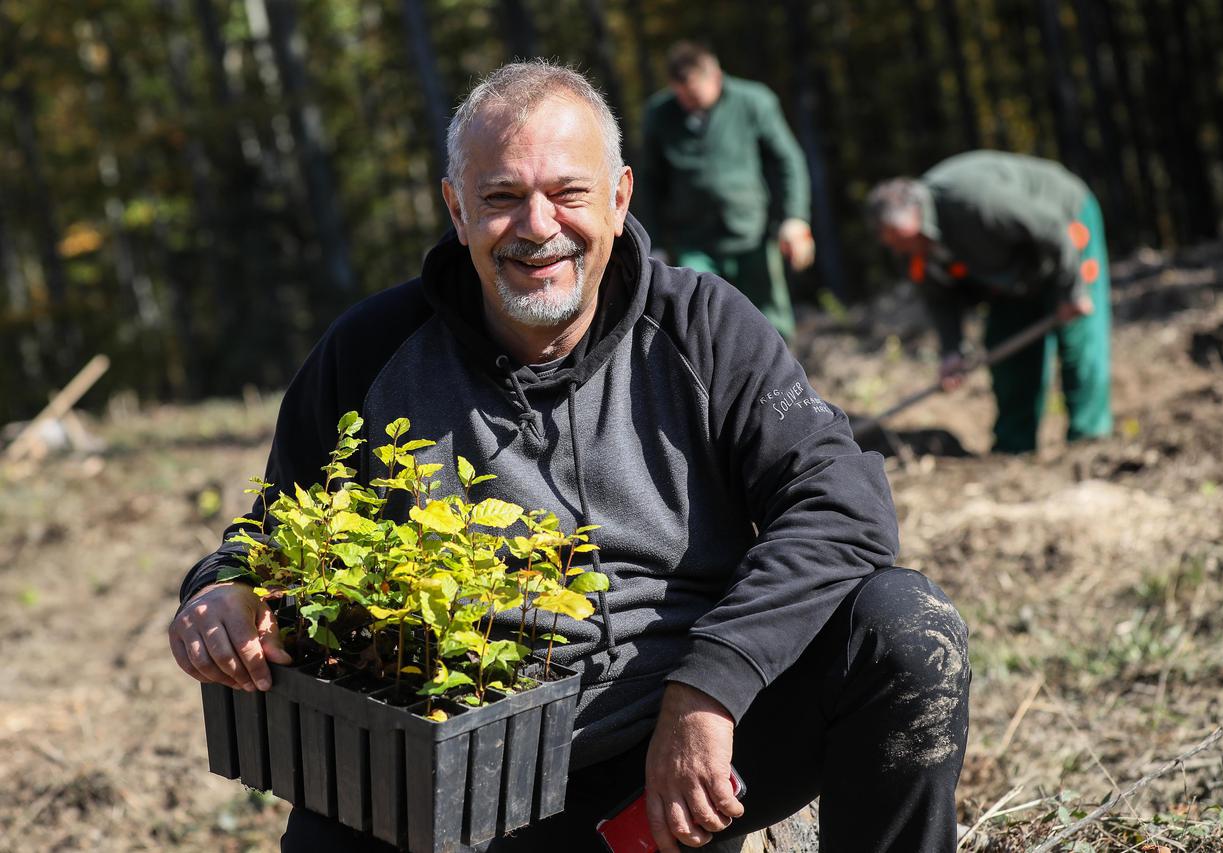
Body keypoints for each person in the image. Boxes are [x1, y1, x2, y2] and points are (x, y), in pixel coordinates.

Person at [169, 61, 969, 853]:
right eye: (501, 198)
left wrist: (709, 688)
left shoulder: (703, 327)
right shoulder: (372, 353)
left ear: (619, 198)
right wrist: (222, 589)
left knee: (902, 632)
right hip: (456, 781)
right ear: (455, 208)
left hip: (680, 764)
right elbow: (273, 533)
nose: (538, 225)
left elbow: (842, 503)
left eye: (569, 193)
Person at [867, 151, 1113, 454]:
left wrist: (1073, 292)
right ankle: (1015, 446)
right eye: (892, 242)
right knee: (1007, 347)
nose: (903, 248)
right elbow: (940, 300)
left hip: (1065, 225)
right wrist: (951, 351)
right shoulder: (911, 251)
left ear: (914, 214)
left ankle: (1089, 438)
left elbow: (1052, 228)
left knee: (1078, 340)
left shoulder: (975, 201)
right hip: (1008, 271)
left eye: (902, 237)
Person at [636, 42, 814, 342]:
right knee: (698, 320)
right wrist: (654, 241)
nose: (689, 103)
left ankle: (782, 388)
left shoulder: (753, 101)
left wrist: (795, 218)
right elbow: (649, 182)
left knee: (770, 324)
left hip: (752, 233)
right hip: (694, 240)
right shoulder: (659, 115)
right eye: (682, 96)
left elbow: (788, 160)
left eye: (695, 95)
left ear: (715, 76)